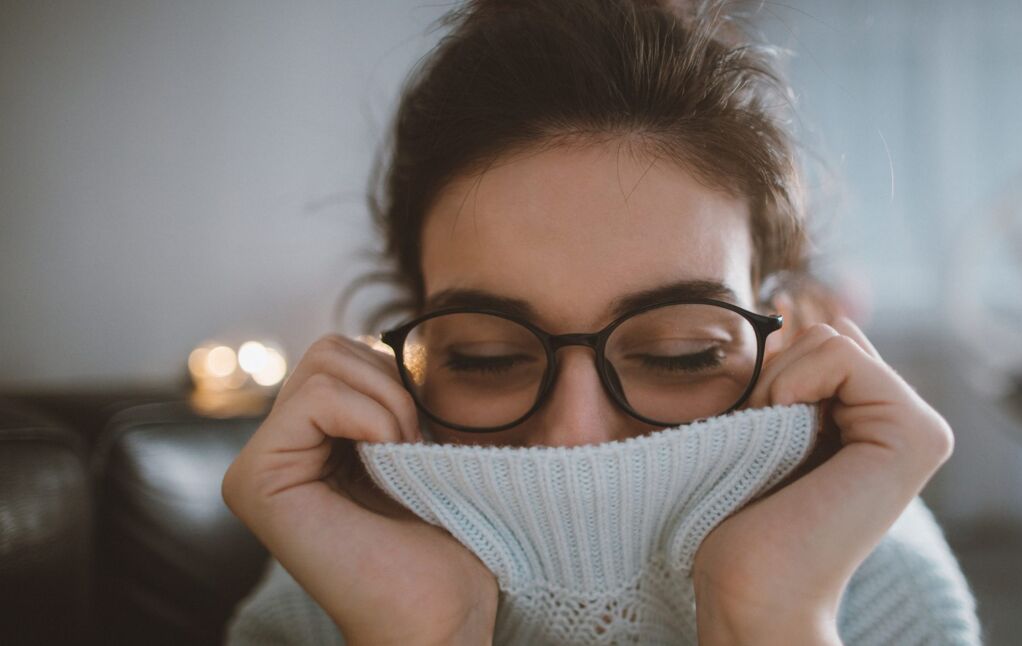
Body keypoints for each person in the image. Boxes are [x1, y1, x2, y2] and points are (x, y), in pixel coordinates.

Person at [221, 1, 980, 644]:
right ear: (408, 353)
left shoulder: (889, 590)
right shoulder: (319, 589)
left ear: (781, 338)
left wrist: (773, 624)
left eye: (682, 354)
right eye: (485, 357)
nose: (575, 436)